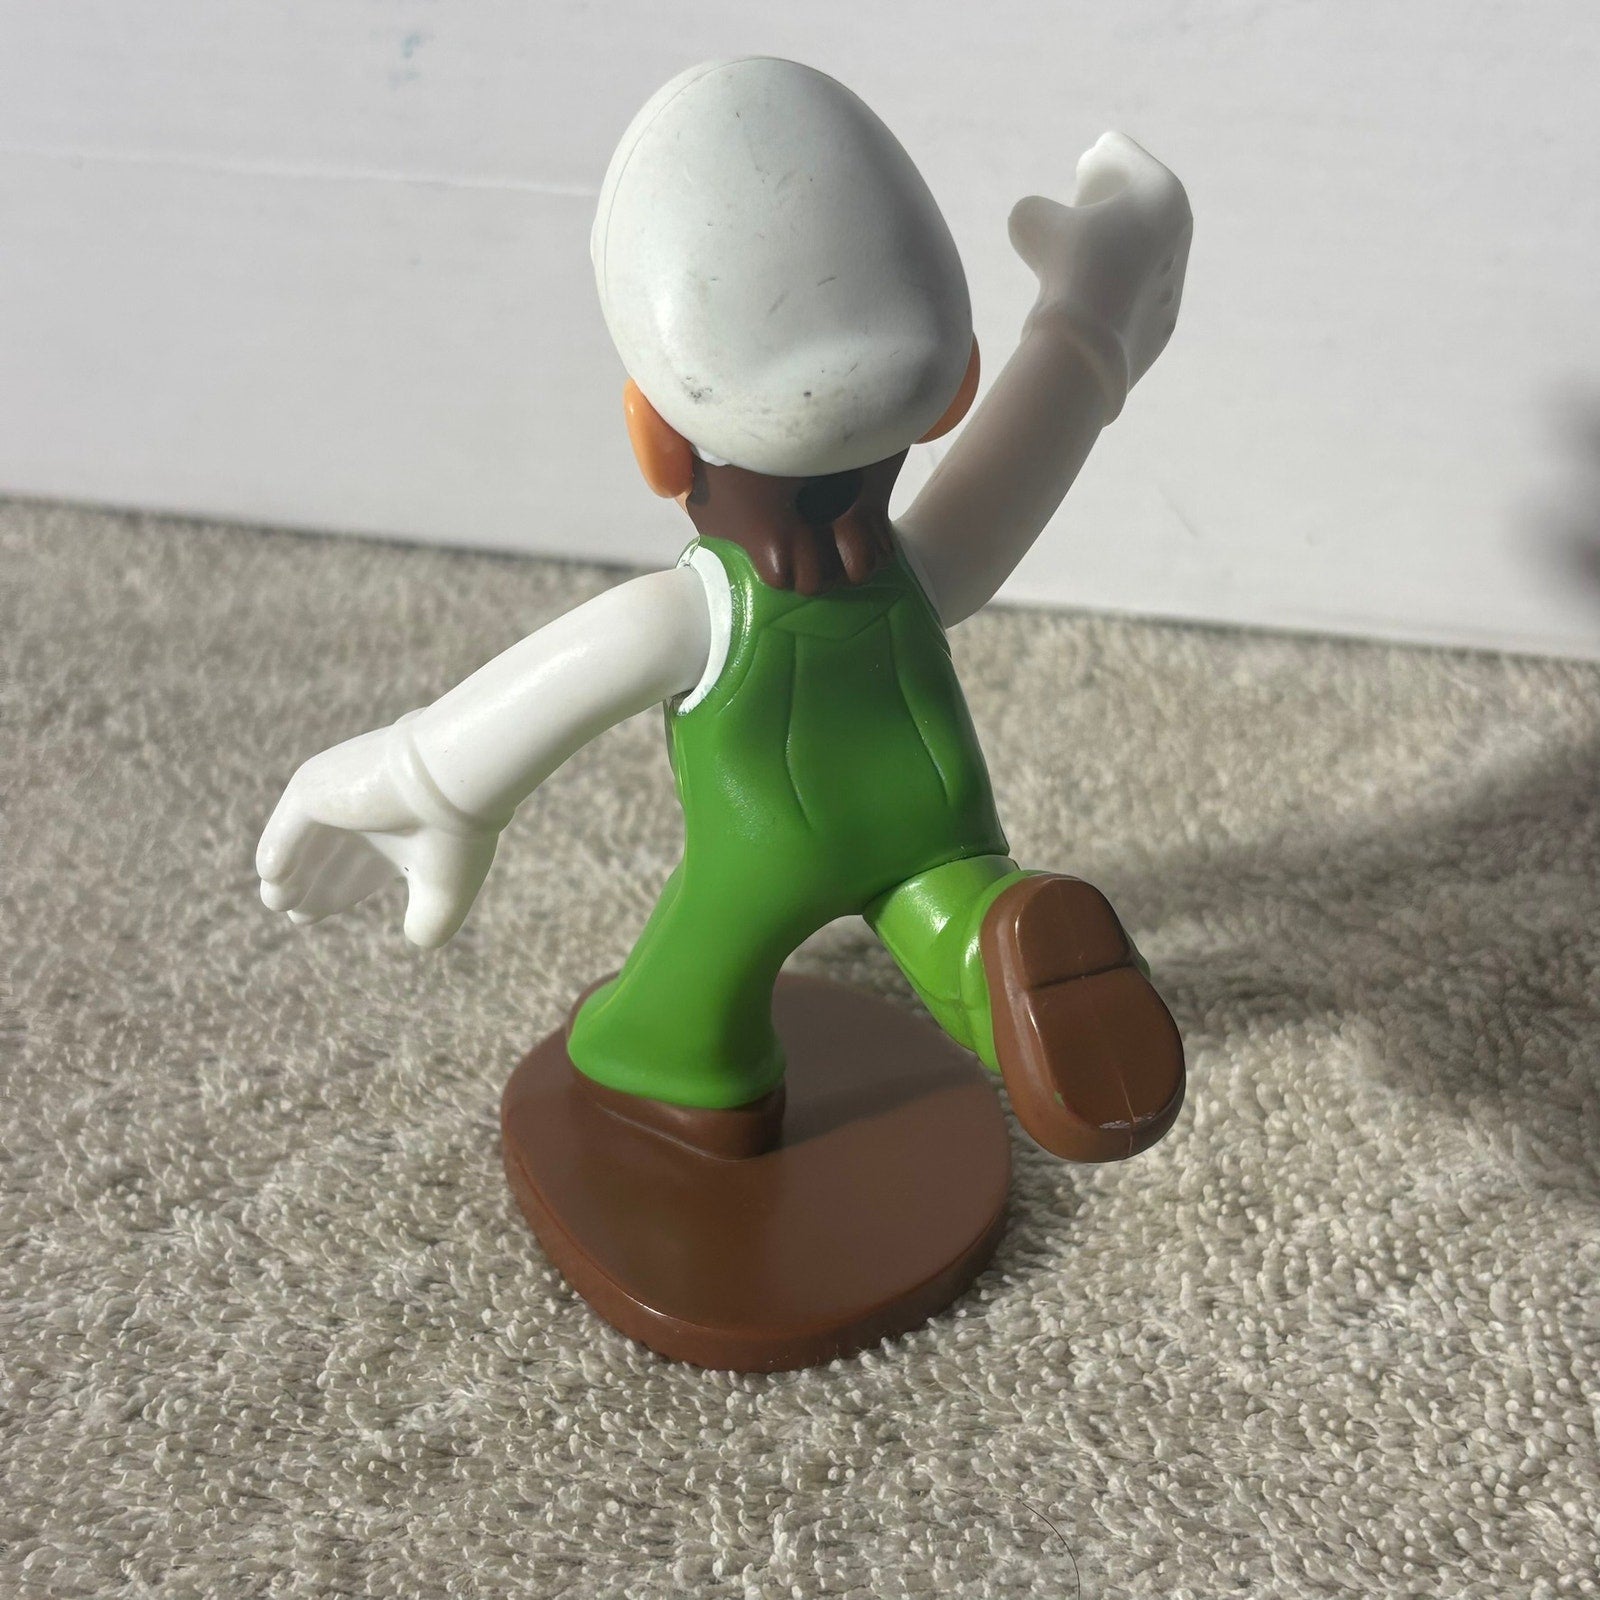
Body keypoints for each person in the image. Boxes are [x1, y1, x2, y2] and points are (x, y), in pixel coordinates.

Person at [257, 56, 1193, 1164]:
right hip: (934, 804)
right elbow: (1042, 426)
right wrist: (1092, 314)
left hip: (762, 848)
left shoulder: (690, 612)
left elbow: (552, 688)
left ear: (655, 439)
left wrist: (421, 782)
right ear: (954, 387)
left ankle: (686, 1077)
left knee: (688, 992)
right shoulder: (921, 567)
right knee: (952, 911)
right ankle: (993, 948)